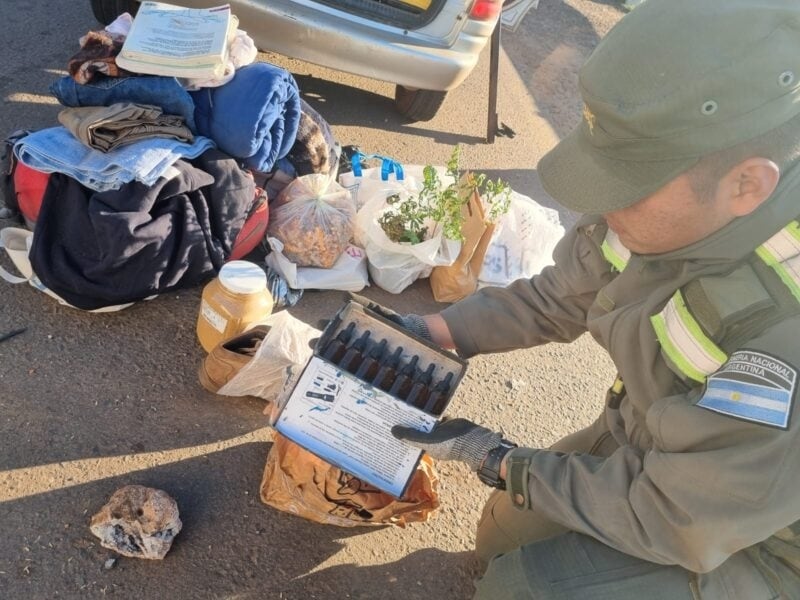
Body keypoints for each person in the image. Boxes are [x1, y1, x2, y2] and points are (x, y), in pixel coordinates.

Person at [383, 0, 800, 597]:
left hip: (763, 541)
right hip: (656, 436)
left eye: (626, 188)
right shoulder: (664, 215)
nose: (602, 208)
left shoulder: (786, 332)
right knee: (502, 532)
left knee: (519, 588)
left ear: (746, 185)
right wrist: (439, 335)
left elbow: (677, 515)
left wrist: (502, 461)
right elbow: (563, 293)